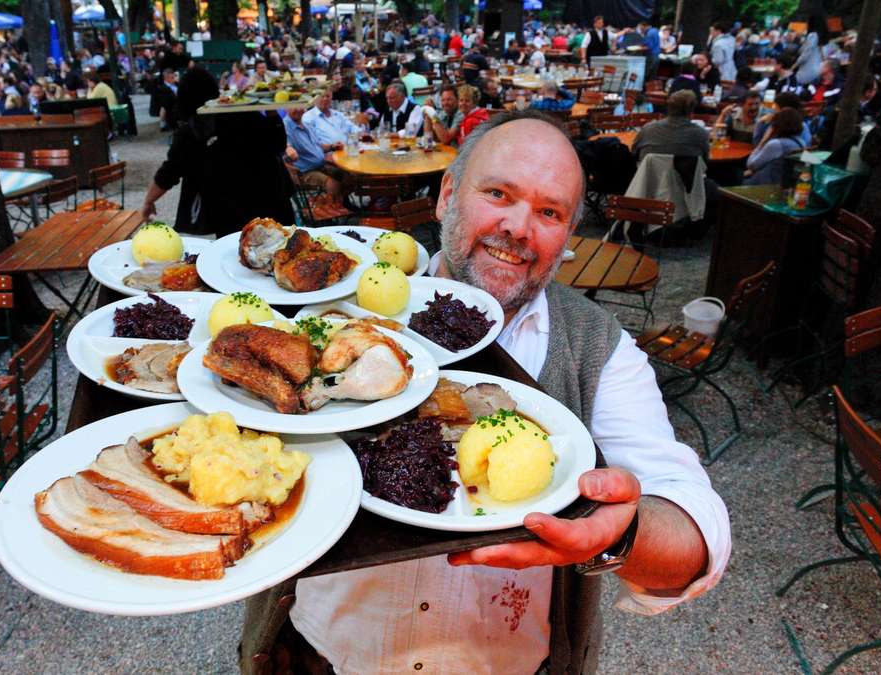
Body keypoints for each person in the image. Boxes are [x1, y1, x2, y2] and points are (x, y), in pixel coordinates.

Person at [240, 109, 730, 673]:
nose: (520, 227)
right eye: (498, 193)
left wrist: (621, 535)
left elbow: (696, 527)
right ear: (448, 194)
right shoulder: (333, 312)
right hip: (314, 653)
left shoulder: (600, 350)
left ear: (569, 236)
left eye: (550, 212)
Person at [141, 68, 295, 235]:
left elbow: (169, 172)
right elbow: (278, 145)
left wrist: (148, 201)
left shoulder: (191, 131)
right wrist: (271, 111)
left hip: (232, 217)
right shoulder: (245, 114)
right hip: (273, 205)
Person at [283, 105, 343, 200]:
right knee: (332, 182)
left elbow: (318, 146)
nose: (298, 109)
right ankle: (335, 208)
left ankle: (343, 203)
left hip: (320, 166)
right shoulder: (285, 127)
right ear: (286, 108)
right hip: (304, 172)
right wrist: (289, 149)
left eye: (301, 106)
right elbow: (286, 146)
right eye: (294, 106)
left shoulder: (306, 124)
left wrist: (332, 146)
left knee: (345, 174)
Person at [631, 90, 710, 161]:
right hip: (685, 177)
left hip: (650, 176)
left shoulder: (648, 129)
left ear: (669, 108)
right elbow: (705, 160)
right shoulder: (700, 134)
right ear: (691, 112)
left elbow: (634, 152)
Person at [743, 107, 807, 185]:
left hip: (766, 185)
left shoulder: (776, 144)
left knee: (733, 175)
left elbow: (751, 164)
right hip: (786, 184)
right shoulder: (801, 142)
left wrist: (763, 140)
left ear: (777, 124)